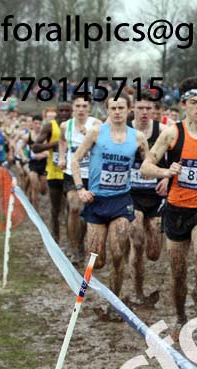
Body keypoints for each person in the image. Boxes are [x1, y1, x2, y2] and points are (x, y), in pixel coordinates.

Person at [141, 76, 197, 326]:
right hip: (176, 210)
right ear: (184, 105)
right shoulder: (172, 133)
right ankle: (181, 314)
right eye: (194, 102)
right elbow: (145, 167)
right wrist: (165, 172)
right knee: (178, 272)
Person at [71, 94, 148, 298]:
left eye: (121, 108)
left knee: (117, 254)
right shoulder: (96, 132)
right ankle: (91, 286)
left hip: (121, 201)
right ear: (107, 111)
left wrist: (166, 175)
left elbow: (148, 166)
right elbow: (75, 160)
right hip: (96, 200)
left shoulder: (138, 137)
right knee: (97, 259)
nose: (117, 112)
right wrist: (80, 189)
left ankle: (115, 300)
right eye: (112, 108)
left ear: (129, 110)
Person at [128, 90, 167, 303]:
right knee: (137, 240)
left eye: (148, 108)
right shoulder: (124, 131)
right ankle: (137, 291)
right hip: (131, 192)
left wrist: (167, 179)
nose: (144, 112)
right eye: (140, 108)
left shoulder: (162, 131)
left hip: (154, 194)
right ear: (133, 108)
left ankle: (139, 285)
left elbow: (176, 157)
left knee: (153, 252)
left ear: (153, 111)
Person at [58, 95, 100, 264]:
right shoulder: (65, 126)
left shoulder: (96, 125)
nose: (81, 109)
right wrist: (62, 156)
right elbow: (61, 141)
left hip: (91, 175)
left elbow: (104, 145)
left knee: (85, 213)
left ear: (89, 108)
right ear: (73, 108)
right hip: (71, 173)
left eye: (84, 106)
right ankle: (74, 246)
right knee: (75, 207)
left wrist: (90, 136)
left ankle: (80, 243)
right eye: (78, 106)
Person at [32, 104, 73, 243]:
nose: (64, 113)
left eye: (67, 111)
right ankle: (55, 238)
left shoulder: (76, 126)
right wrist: (55, 144)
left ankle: (70, 241)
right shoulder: (50, 126)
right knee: (56, 209)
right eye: (61, 110)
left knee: (71, 209)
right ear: (56, 112)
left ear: (71, 112)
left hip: (71, 175)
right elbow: (35, 147)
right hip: (54, 173)